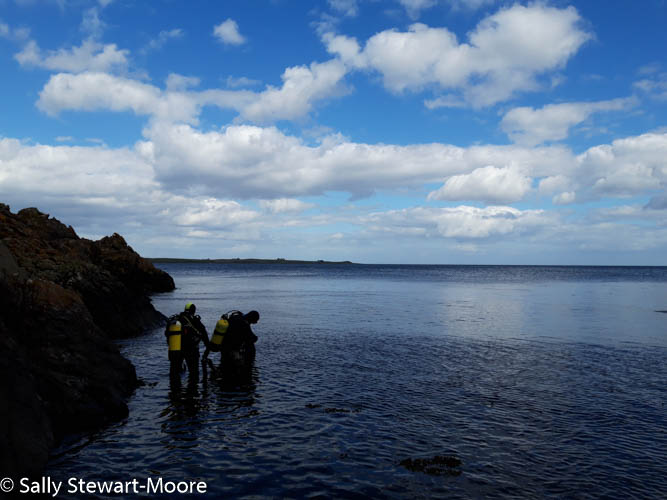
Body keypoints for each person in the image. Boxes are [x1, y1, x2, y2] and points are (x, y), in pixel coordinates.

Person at [166, 302, 208, 377]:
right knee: (194, 373)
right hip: (191, 350)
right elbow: (204, 334)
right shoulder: (194, 320)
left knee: (174, 374)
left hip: (176, 350)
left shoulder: (176, 319)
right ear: (194, 311)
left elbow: (166, 333)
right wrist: (208, 346)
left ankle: (174, 384)